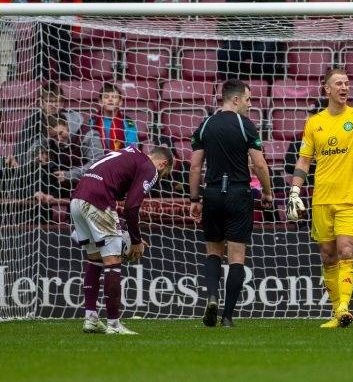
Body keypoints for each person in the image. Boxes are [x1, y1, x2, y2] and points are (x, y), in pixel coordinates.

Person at [286, 69, 353, 328]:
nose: (344, 87)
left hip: (349, 199)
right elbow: (304, 160)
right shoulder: (314, 122)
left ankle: (344, 308)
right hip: (321, 200)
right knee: (328, 256)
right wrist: (295, 190)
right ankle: (335, 311)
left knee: (346, 250)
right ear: (326, 89)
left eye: (346, 83)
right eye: (338, 84)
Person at [189, 79, 273, 328]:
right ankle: (227, 316)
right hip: (238, 193)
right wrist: (268, 193)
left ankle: (212, 296)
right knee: (236, 256)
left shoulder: (206, 125)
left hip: (212, 194)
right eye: (248, 99)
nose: (250, 104)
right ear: (235, 99)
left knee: (213, 252)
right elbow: (259, 164)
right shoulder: (244, 124)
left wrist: (195, 199)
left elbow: (195, 166)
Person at [70, 145, 173, 335]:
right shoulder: (150, 167)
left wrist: (129, 235)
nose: (160, 178)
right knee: (112, 261)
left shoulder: (128, 153)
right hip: (98, 199)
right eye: (164, 173)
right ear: (163, 163)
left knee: (94, 258)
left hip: (78, 197)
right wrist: (136, 240)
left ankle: (91, 318)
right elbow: (131, 207)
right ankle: (114, 324)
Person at [5, 82, 83, 168]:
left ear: (62, 102)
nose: (53, 105)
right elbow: (21, 146)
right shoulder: (32, 121)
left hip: (59, 166)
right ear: (41, 102)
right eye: (49, 101)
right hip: (32, 164)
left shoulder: (70, 121)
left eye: (57, 101)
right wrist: (17, 159)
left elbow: (67, 152)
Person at [217, 0, 288, 85]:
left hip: (266, 39)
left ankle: (264, 88)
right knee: (227, 52)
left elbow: (286, 25)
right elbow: (223, 26)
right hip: (239, 38)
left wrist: (262, 30)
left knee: (263, 51)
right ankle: (231, 87)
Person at [45, 116, 104, 196]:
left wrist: (70, 174)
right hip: (68, 191)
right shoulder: (51, 143)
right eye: (54, 136)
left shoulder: (88, 135)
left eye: (61, 133)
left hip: (93, 188)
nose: (59, 139)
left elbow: (98, 164)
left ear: (67, 125)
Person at [88, 82, 138, 152]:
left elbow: (132, 148)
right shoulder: (93, 122)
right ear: (100, 102)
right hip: (98, 159)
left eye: (114, 97)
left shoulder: (127, 123)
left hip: (122, 160)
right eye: (106, 97)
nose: (110, 99)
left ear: (120, 102)